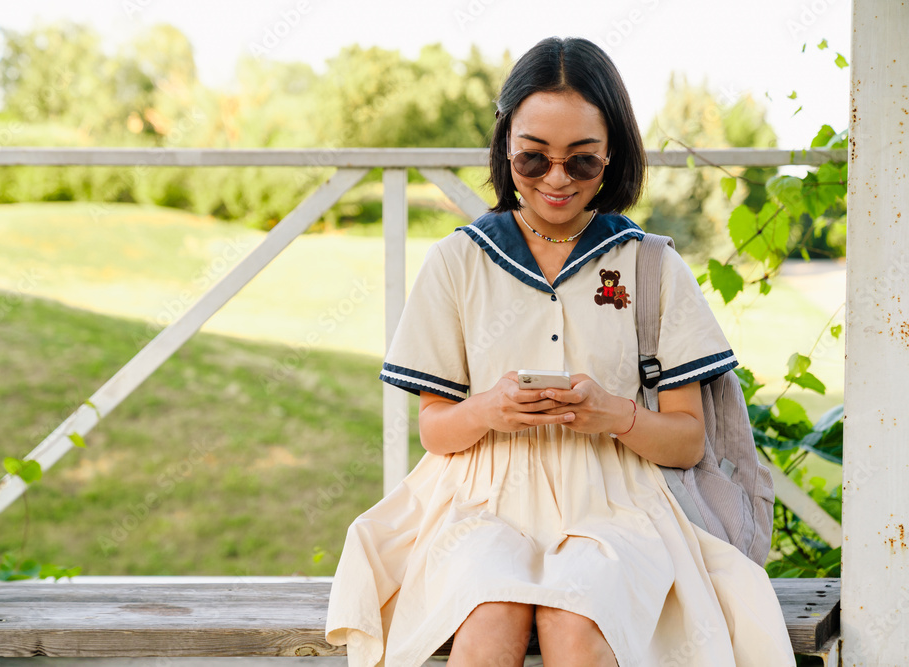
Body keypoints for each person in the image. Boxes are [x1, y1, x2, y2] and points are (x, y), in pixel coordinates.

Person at [325, 36, 794, 667]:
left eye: (582, 162)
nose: (555, 179)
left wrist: (614, 415)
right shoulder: (459, 261)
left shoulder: (649, 264)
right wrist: (489, 409)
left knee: (579, 626)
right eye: (533, 159)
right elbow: (437, 430)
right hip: (479, 505)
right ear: (504, 149)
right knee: (488, 621)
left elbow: (686, 441)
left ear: (613, 156)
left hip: (620, 508)